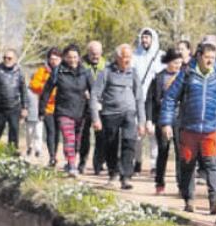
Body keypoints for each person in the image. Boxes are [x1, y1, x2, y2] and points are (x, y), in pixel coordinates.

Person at [160, 41, 216, 213]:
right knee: (188, 164)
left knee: (212, 164)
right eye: (207, 57)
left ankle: (215, 201)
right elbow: (170, 98)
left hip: (210, 128)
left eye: (213, 57)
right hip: (189, 127)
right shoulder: (187, 73)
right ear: (198, 56)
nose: (210, 61)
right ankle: (189, 199)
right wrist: (166, 123)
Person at [38, 44, 99, 175]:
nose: (72, 60)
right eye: (69, 57)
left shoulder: (86, 73)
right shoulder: (57, 72)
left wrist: (97, 106)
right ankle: (72, 165)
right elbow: (47, 91)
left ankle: (70, 160)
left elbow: (94, 91)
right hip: (63, 111)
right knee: (68, 137)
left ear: (79, 58)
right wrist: (41, 109)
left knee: (77, 140)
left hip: (81, 111)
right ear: (64, 58)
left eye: (75, 57)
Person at [92, 43, 146, 189]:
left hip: (129, 113)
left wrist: (142, 121)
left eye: (129, 57)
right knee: (111, 144)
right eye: (124, 57)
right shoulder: (106, 72)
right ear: (117, 57)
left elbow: (140, 98)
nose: (127, 60)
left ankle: (126, 177)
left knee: (129, 143)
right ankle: (113, 174)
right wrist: (95, 118)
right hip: (110, 114)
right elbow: (94, 96)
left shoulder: (133, 73)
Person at [146, 47, 183, 195]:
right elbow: (149, 100)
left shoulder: (184, 77)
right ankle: (159, 183)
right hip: (162, 119)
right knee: (163, 151)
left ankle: (182, 185)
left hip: (180, 119)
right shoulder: (159, 78)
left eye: (180, 63)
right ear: (168, 62)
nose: (178, 66)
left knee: (181, 152)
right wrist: (149, 119)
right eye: (175, 62)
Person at [133, 28, 163, 174]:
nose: (145, 40)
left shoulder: (161, 56)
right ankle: (136, 162)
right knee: (137, 133)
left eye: (147, 38)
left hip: (153, 100)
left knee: (153, 134)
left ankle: (154, 164)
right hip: (136, 99)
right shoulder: (134, 55)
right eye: (143, 37)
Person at [0, 48, 27, 149]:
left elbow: (24, 91)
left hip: (14, 107)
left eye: (9, 58)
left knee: (14, 131)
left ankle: (13, 153)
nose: (6, 60)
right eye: (4, 58)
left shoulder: (20, 73)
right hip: (0, 107)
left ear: (15, 59)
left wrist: (25, 107)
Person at [79, 40, 108, 174]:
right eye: (92, 54)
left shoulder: (106, 66)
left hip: (101, 104)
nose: (95, 56)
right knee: (84, 135)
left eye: (97, 54)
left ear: (101, 53)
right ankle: (82, 162)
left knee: (101, 136)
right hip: (84, 105)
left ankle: (98, 163)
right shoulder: (81, 65)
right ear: (88, 53)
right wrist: (82, 90)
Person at [30, 47, 62, 166]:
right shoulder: (42, 71)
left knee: (57, 133)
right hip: (47, 107)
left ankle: (55, 153)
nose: (54, 61)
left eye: (56, 59)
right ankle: (52, 156)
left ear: (61, 59)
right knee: (50, 131)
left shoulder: (63, 71)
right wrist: (47, 87)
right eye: (51, 59)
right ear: (48, 59)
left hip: (60, 107)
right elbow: (33, 85)